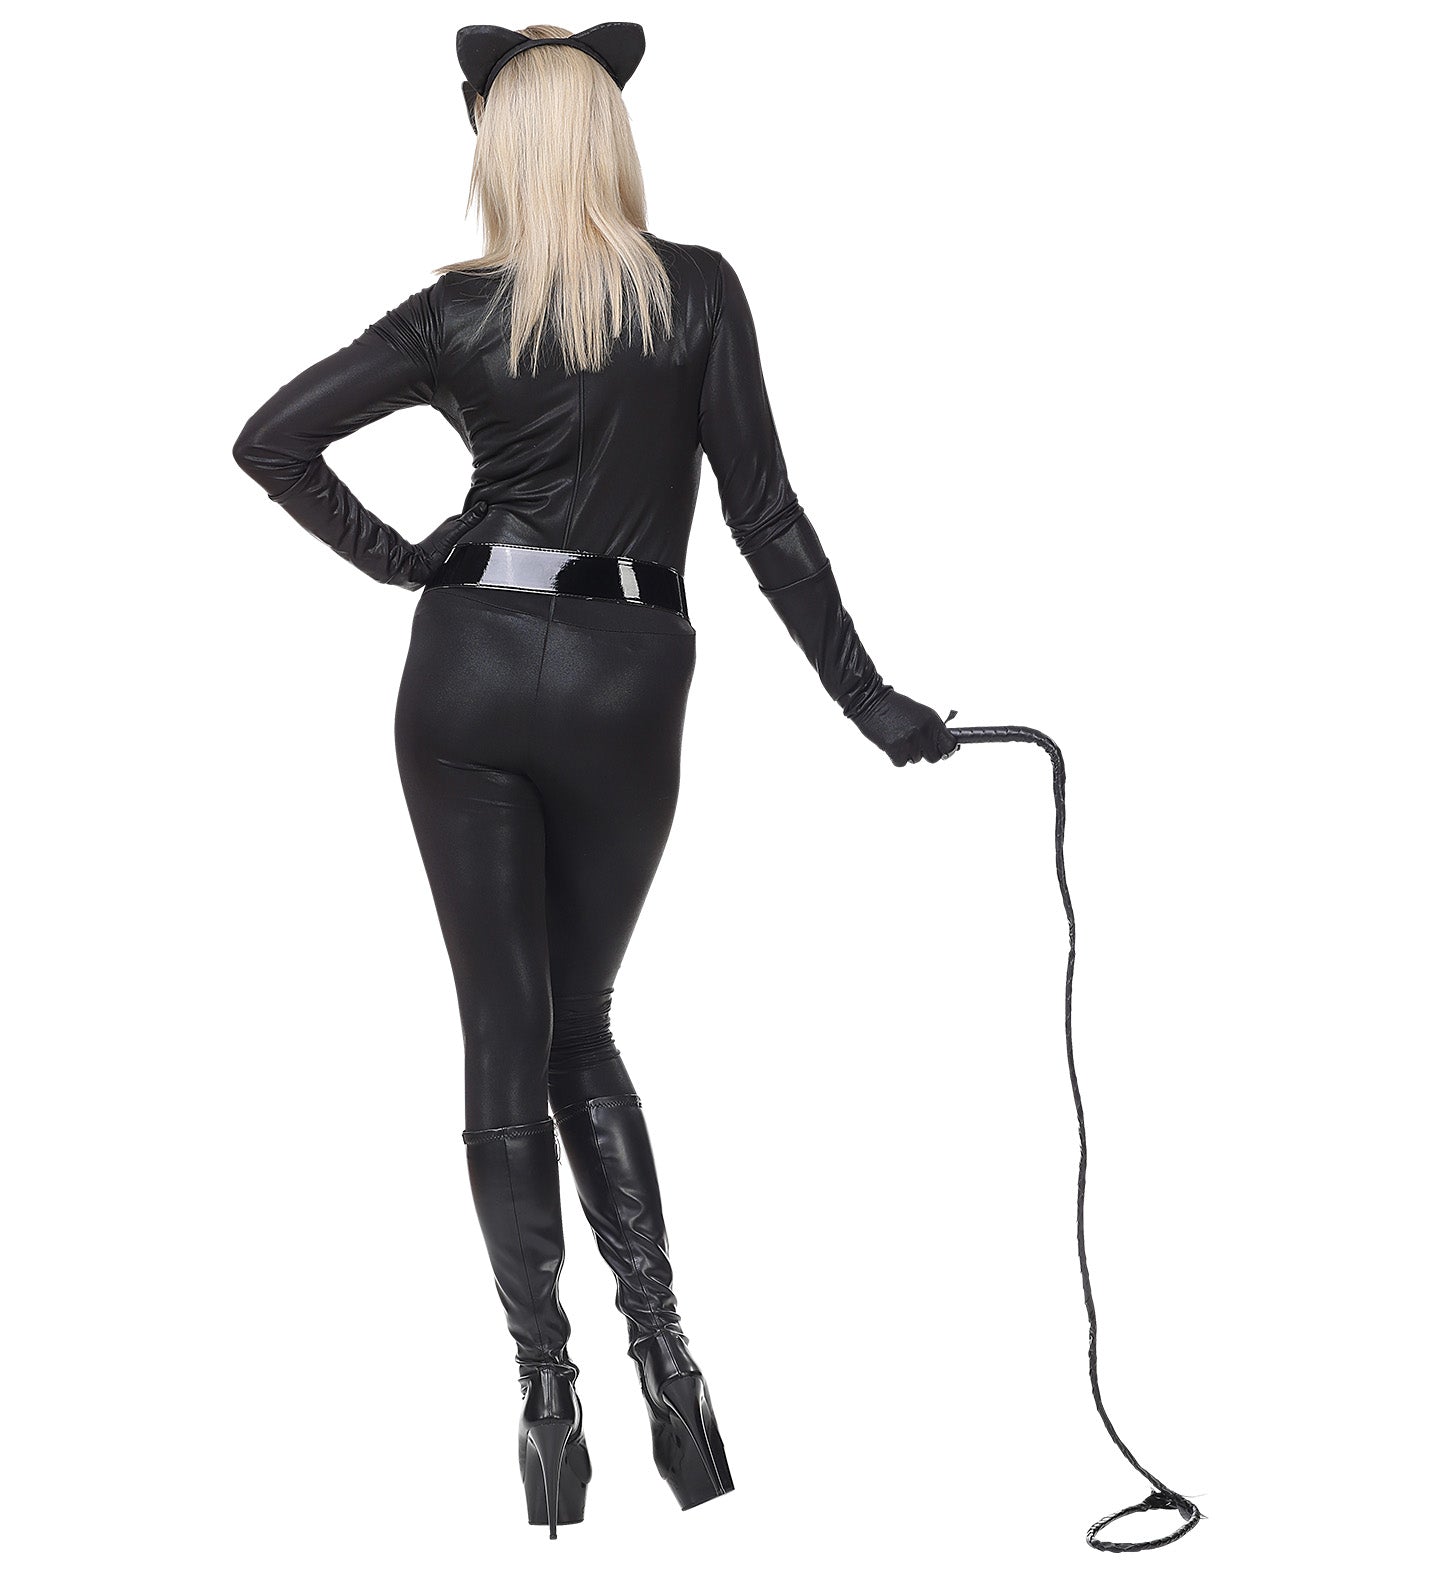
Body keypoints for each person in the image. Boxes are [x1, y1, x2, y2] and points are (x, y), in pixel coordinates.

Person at [231, 20, 959, 1539]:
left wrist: (411, 564)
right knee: (582, 1028)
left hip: (466, 674)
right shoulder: (694, 290)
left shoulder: (454, 314)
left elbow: (272, 441)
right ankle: (669, 1370)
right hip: (629, 681)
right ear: (613, 136)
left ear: (490, 142)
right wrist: (869, 701)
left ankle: (545, 1402)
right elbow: (765, 515)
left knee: (504, 1039)